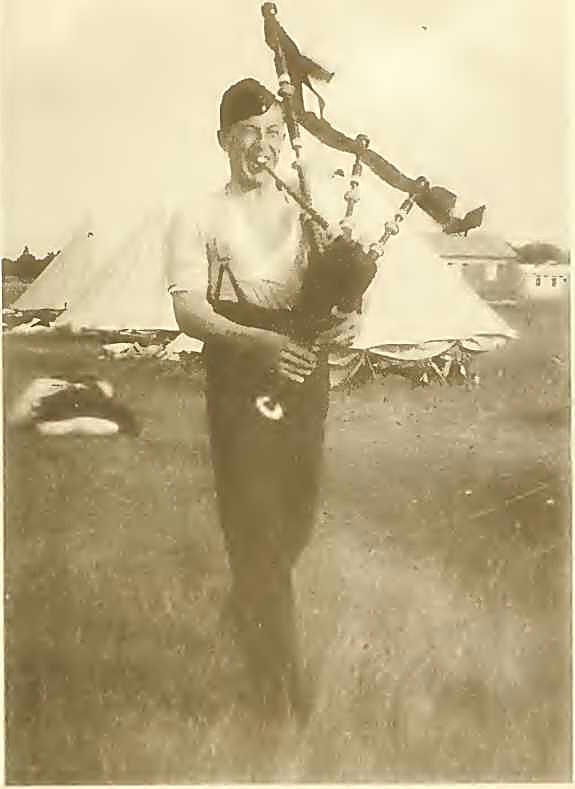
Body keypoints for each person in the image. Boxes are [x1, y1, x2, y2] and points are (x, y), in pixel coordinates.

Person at [165, 78, 357, 720]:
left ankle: (248, 604)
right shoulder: (197, 214)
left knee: (297, 518)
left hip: (304, 370)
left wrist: (350, 319)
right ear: (224, 140)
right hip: (239, 370)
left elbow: (341, 295)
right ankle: (280, 696)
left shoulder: (307, 208)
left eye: (274, 132)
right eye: (249, 132)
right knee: (257, 528)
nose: (263, 145)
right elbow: (190, 311)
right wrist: (259, 344)